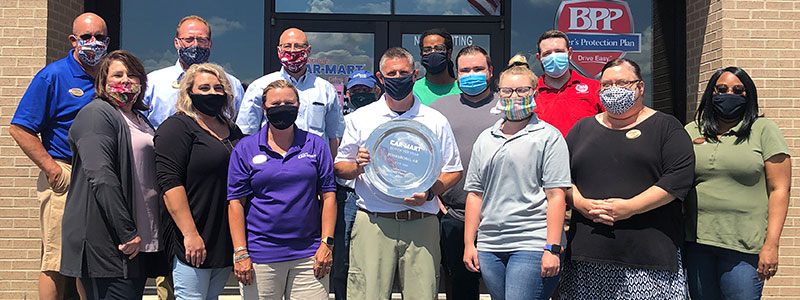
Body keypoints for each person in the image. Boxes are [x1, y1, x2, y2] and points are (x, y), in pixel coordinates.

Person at [559, 58, 695, 299]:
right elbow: (559, 176)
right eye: (607, 85)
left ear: (640, 87)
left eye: (622, 83)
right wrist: (580, 202)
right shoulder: (582, 129)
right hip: (588, 256)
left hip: (648, 257)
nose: (613, 90)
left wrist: (631, 207)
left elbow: (678, 179)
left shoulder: (666, 128)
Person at [334, 47, 463, 299]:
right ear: (380, 79)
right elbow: (340, 167)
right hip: (374, 221)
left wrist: (429, 193)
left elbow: (453, 170)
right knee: (367, 294)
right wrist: (358, 166)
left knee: (423, 294)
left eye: (403, 72)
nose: (398, 77)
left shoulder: (435, 120)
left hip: (421, 222)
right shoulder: (361, 118)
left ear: (414, 75)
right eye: (390, 73)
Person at [9, 12, 108, 300]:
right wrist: (53, 170)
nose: (93, 43)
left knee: (88, 260)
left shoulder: (109, 76)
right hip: (66, 174)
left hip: (101, 178)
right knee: (56, 259)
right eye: (86, 37)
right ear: (73, 40)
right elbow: (20, 128)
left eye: (100, 38)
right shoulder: (53, 75)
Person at [61, 50, 168, 300]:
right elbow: (101, 176)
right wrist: (126, 231)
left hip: (138, 242)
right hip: (110, 242)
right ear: (103, 81)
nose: (126, 80)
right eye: (118, 75)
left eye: (132, 75)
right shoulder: (96, 114)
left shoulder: (140, 119)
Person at [462, 55, 570, 300]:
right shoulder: (485, 138)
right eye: (508, 90)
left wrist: (552, 247)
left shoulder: (548, 137)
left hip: (532, 242)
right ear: (499, 93)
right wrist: (470, 243)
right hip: (490, 246)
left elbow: (556, 196)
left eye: (522, 90)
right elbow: (475, 194)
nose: (514, 96)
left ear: (534, 92)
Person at [684, 67, 791, 299]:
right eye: (721, 89)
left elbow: (779, 189)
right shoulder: (692, 131)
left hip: (744, 249)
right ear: (711, 93)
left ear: (748, 95)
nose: (728, 94)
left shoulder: (764, 130)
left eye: (738, 90)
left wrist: (771, 245)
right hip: (697, 244)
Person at [228, 80, 337, 299]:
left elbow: (329, 196)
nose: (282, 107)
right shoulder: (245, 148)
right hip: (261, 254)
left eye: (289, 102)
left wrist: (327, 243)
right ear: (264, 109)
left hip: (309, 254)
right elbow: (235, 203)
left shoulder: (316, 145)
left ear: (298, 107)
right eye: (275, 103)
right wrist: (240, 252)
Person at [154, 63, 244, 300]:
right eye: (203, 88)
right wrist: (190, 234)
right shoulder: (176, 127)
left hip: (223, 236)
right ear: (189, 92)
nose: (212, 93)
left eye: (218, 88)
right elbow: (169, 184)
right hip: (192, 234)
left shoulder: (232, 130)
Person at [429, 45, 497, 300]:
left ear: (490, 71)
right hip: (453, 214)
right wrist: (435, 197)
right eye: (465, 70)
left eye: (478, 69)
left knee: (502, 287)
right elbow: (426, 156)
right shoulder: (439, 108)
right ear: (456, 75)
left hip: (499, 215)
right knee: (459, 287)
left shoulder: (507, 106)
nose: (472, 74)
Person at [235, 27, 344, 158]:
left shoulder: (325, 89)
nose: (292, 51)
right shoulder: (259, 87)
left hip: (314, 167)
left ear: (308, 51)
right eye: (287, 46)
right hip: (271, 165)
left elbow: (335, 136)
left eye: (298, 46)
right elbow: (247, 134)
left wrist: (331, 170)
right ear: (278, 50)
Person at [143, 15, 244, 129]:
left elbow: (240, 127)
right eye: (188, 40)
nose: (195, 45)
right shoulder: (153, 82)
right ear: (177, 43)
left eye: (201, 40)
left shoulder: (231, 84)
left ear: (209, 44)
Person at [331, 70, 381, 300]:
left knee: (372, 261)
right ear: (347, 94)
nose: (361, 94)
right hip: (346, 194)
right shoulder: (339, 122)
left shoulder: (386, 118)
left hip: (375, 195)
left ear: (377, 91)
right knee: (342, 261)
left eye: (366, 90)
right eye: (356, 91)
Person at [533, 30, 604, 137]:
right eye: (547, 53)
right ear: (539, 58)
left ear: (570, 53)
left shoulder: (595, 88)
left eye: (559, 51)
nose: (554, 57)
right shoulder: (531, 94)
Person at [412, 28, 461, 106]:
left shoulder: (462, 89)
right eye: (427, 49)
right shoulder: (413, 91)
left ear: (449, 53)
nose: (433, 53)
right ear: (421, 54)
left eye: (439, 48)